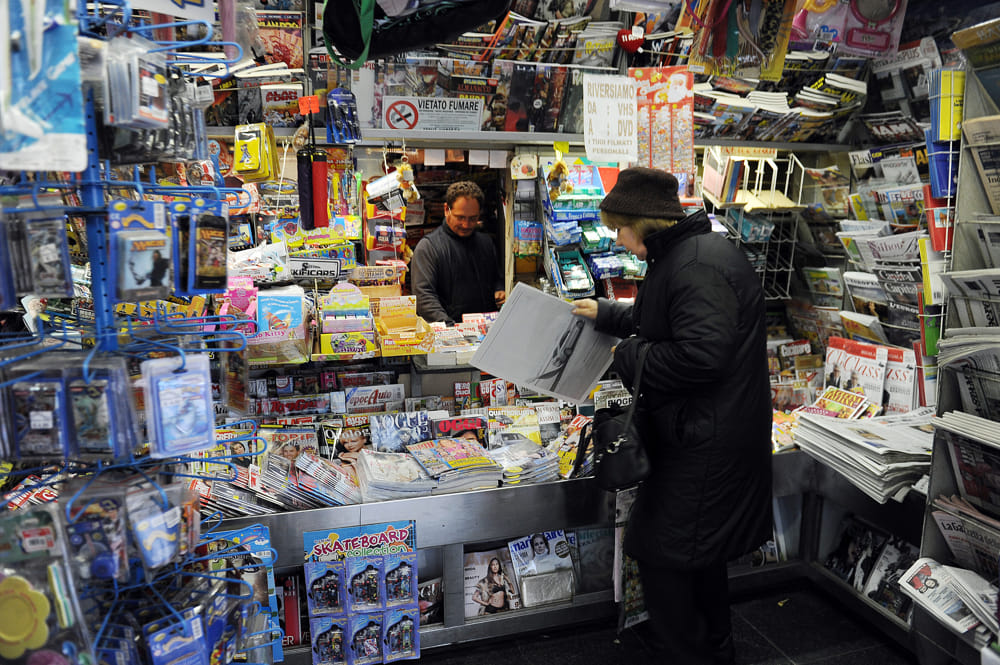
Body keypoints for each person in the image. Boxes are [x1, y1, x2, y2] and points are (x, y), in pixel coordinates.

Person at [571, 167, 772, 665]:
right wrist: (607, 314)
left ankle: (692, 654)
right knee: (697, 560)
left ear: (645, 222)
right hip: (702, 435)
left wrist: (628, 356)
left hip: (706, 446)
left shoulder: (696, 264)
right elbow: (665, 317)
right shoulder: (686, 255)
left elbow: (700, 357)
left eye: (620, 228)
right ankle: (712, 652)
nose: (618, 239)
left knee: (665, 556)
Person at [410, 181, 506, 325]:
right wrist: (450, 328)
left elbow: (496, 279)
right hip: (451, 337)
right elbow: (424, 297)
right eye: (460, 217)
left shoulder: (486, 243)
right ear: (446, 210)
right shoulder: (428, 248)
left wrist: (499, 290)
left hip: (488, 330)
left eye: (473, 218)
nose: (466, 225)